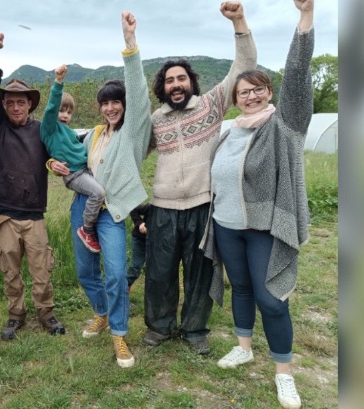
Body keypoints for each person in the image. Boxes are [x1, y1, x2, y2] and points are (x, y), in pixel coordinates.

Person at [201, 1, 315, 407]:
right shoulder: (230, 132)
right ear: (235, 98)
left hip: (265, 227)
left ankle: (284, 371)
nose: (250, 96)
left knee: (271, 298)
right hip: (227, 225)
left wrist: (305, 19)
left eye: (257, 90)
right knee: (243, 288)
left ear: (269, 92)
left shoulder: (284, 125)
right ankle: (244, 347)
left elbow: (299, 78)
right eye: (243, 92)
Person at [143, 1, 257, 354]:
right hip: (162, 206)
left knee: (200, 271)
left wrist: (238, 21)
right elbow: (127, 151)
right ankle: (160, 327)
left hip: (203, 204)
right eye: (169, 80)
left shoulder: (211, 105)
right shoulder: (155, 120)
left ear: (192, 82)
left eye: (182, 78)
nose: (176, 85)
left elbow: (245, 66)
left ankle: (195, 330)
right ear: (161, 88)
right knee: (160, 272)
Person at [55, 11, 152, 368]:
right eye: (105, 103)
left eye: (116, 102)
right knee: (85, 271)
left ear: (125, 106)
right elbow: (66, 149)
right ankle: (101, 311)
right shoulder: (94, 132)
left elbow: (140, 95)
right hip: (82, 206)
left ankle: (119, 334)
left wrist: (130, 45)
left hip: (111, 211)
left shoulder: (133, 133)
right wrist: (53, 164)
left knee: (114, 272)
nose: (110, 108)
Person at [0, 30, 66, 340]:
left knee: (41, 268)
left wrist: (54, 164)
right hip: (4, 213)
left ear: (30, 104)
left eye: (22, 102)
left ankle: (46, 311)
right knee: (10, 269)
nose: (16, 107)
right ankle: (16, 313)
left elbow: (54, 156)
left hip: (34, 213)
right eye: (11, 102)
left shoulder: (42, 129)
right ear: (4, 105)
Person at [41, 64, 106, 254]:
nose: (64, 115)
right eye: (61, 111)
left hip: (84, 170)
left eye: (69, 112)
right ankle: (86, 230)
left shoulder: (69, 132)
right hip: (74, 175)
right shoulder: (49, 128)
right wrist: (58, 82)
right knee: (98, 193)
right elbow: (51, 108)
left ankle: (97, 224)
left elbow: (83, 139)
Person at [127, 203, 150, 290]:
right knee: (135, 268)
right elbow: (133, 209)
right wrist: (140, 223)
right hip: (140, 240)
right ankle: (122, 291)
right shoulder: (151, 207)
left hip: (156, 243)